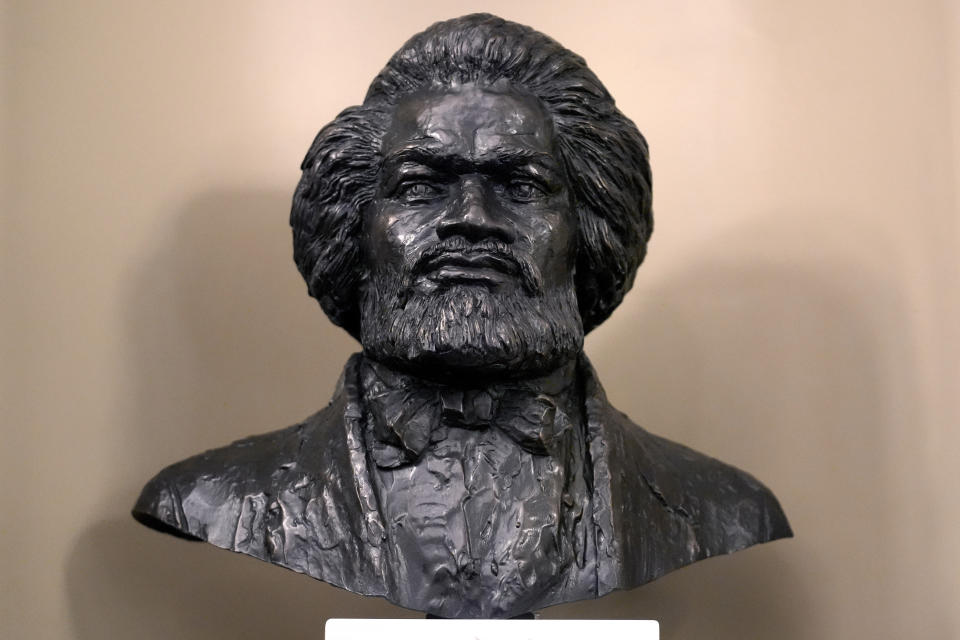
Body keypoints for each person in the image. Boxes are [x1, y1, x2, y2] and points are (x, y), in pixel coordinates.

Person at [133, 14, 791, 618]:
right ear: (354, 230)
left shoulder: (724, 508)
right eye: (420, 186)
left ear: (588, 230)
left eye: (522, 185)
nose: (472, 218)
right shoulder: (213, 500)